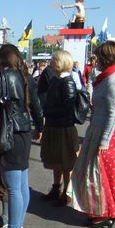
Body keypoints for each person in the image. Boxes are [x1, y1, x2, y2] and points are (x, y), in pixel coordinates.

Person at [68, 41, 115, 228]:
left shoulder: (114, 80)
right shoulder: (111, 76)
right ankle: (101, 211)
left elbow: (114, 114)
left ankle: (106, 213)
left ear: (106, 58)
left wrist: (104, 140)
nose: (95, 60)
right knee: (98, 175)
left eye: (98, 57)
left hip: (108, 133)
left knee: (101, 177)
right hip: (101, 129)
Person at [0, 44, 43, 228]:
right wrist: (40, 126)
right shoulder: (26, 76)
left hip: (10, 132)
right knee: (21, 183)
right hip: (24, 130)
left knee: (13, 186)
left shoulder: (3, 76)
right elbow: (35, 104)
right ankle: (17, 226)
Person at [40, 50, 79, 207]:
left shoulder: (67, 82)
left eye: (53, 60)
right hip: (53, 125)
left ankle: (66, 194)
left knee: (66, 163)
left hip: (63, 128)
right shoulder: (56, 80)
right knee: (56, 161)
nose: (50, 62)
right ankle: (56, 189)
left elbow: (68, 108)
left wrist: (48, 111)